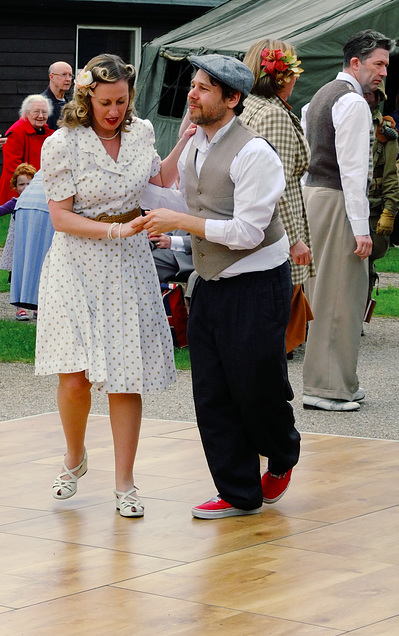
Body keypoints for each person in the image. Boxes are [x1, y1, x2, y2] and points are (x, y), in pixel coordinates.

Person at [132, 54, 300, 519]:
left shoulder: (255, 153)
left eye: (204, 88)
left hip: (257, 284)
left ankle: (283, 451)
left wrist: (181, 222)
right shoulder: (193, 146)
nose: (192, 94)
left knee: (257, 387)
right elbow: (175, 196)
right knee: (211, 392)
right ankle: (238, 492)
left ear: (232, 99)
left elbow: (247, 232)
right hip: (207, 283)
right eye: (193, 85)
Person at [35, 53, 195, 518]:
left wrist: (181, 141)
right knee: (75, 375)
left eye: (121, 101)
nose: (114, 111)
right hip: (77, 264)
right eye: (106, 102)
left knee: (126, 378)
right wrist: (112, 231)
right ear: (87, 98)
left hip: (127, 266)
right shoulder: (62, 144)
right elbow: (60, 217)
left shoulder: (140, 132)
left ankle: (125, 482)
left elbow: (160, 179)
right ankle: (74, 457)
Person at [302, 29, 395, 412]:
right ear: (355, 63)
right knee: (341, 294)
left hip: (315, 196)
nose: (384, 72)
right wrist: (362, 230)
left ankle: (339, 381)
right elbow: (353, 171)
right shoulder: (353, 104)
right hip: (337, 199)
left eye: (386, 65)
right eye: (378, 64)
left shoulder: (321, 95)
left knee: (323, 290)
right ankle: (327, 387)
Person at [241, 38, 314, 355]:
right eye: (295, 67)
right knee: (275, 324)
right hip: (276, 234)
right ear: (285, 74)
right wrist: (294, 239)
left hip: (258, 226)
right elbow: (278, 182)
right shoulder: (272, 115)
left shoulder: (249, 106)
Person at [364, 82, 399, 299]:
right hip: (343, 205)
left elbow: (391, 177)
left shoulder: (385, 132)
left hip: (372, 209)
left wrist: (389, 211)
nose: (367, 98)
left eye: (372, 94)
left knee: (366, 265)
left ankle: (359, 314)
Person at [10, 170, 55, 319]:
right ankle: (35, 303)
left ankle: (34, 303)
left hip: (25, 205)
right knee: (46, 257)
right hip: (45, 205)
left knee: (24, 257)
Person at [0, 94, 53, 204]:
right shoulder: (16, 132)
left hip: (38, 188)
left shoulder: (49, 134)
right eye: (36, 112)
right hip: (18, 192)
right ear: (26, 113)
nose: (41, 116)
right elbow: (13, 170)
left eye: (44, 112)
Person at [0, 162, 37, 320]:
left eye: (30, 183)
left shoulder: (39, 202)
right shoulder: (15, 203)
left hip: (35, 244)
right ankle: (20, 308)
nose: (26, 187)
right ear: (15, 186)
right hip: (18, 245)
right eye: (22, 184)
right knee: (19, 273)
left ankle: (37, 305)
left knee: (37, 272)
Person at [42, 61, 73, 130]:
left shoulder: (71, 104)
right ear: (51, 77)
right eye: (64, 74)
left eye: (70, 75)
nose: (68, 79)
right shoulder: (41, 104)